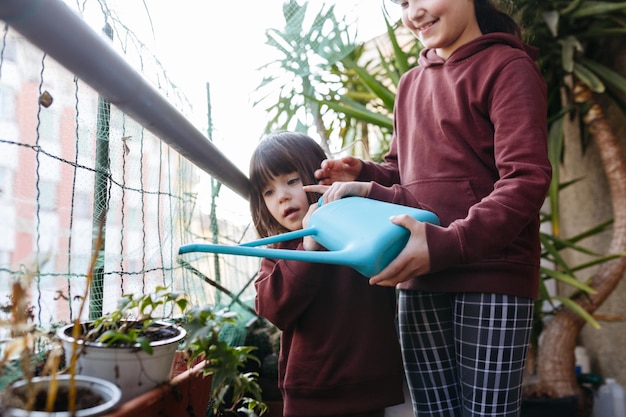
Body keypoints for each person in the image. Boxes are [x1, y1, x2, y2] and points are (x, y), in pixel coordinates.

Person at [304, 1, 553, 416]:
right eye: (402, 2)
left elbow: (525, 180)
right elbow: (403, 172)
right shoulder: (409, 83)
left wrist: (449, 243)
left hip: (491, 275)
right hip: (419, 277)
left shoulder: (509, 66)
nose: (413, 11)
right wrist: (365, 172)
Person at [249, 131, 405, 417]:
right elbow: (272, 309)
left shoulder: (359, 223)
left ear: (320, 178)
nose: (281, 196)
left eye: (292, 181)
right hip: (311, 393)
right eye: (268, 191)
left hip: (368, 387)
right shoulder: (279, 249)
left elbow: (401, 198)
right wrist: (309, 249)